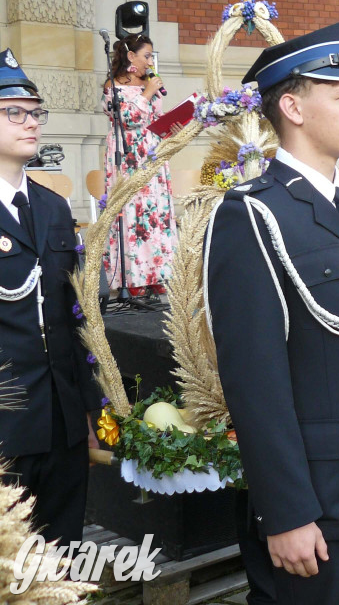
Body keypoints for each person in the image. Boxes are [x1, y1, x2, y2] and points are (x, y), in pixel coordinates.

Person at [204, 20, 339, 604]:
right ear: (294, 107)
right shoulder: (254, 214)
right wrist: (286, 512)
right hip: (316, 500)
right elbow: (254, 380)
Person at [0, 49, 100, 543]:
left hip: (62, 421)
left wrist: (89, 406)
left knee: (62, 554)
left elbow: (73, 315)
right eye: (13, 111)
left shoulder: (55, 207)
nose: (31, 122)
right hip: (6, 423)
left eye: (35, 111)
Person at [102, 33, 177, 296]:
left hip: (152, 151)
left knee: (154, 210)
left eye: (152, 56)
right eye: (146, 56)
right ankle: (133, 278)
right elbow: (128, 118)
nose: (150, 61)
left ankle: (157, 273)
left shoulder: (151, 84)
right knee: (132, 212)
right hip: (129, 154)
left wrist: (173, 123)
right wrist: (147, 91)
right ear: (131, 56)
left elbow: (153, 116)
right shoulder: (114, 85)